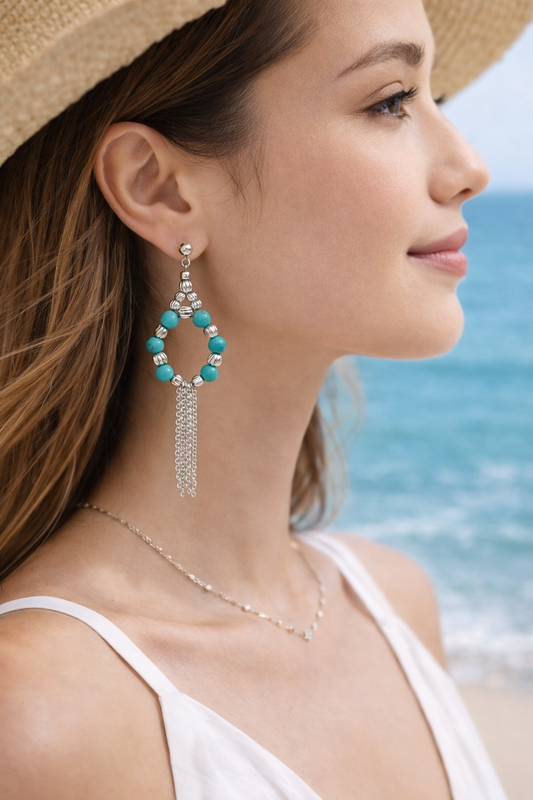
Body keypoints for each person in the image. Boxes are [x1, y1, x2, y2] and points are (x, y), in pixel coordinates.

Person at [0, 0, 531, 797]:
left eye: (436, 101)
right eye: (389, 102)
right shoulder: (42, 713)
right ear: (160, 188)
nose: (468, 166)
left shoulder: (393, 604)